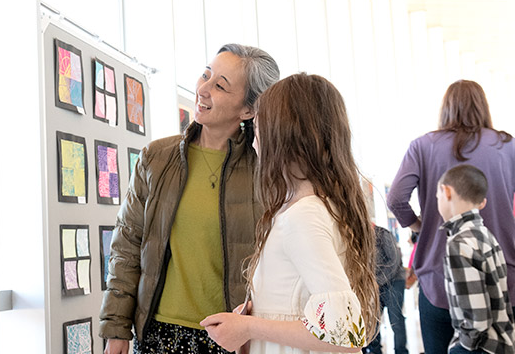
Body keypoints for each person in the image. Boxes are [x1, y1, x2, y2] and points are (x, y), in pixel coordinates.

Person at [98, 44, 279, 354]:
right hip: (156, 335)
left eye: (220, 85)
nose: (203, 89)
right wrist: (116, 331)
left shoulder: (267, 171)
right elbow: (126, 248)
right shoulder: (156, 157)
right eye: (205, 75)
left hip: (231, 339)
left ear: (248, 110)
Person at [199, 73, 378, 353]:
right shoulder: (315, 207)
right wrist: (258, 314)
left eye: (257, 131)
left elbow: (345, 337)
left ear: (282, 136)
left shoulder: (303, 216)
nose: (255, 144)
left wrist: (249, 327)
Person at [387, 80, 515, 354]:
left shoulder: (422, 146)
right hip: (503, 277)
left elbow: (396, 197)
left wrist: (420, 226)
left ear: (446, 108)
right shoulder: (507, 146)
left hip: (438, 279)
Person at [436, 164, 514, 354]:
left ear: (446, 192)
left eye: (437, 197)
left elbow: (477, 320)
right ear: (482, 203)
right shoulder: (485, 234)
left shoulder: (459, 243)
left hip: (481, 347)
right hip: (502, 340)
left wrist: (462, 345)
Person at [364, 226, 407, 354]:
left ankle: (401, 351)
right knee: (373, 320)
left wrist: (379, 281)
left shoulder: (383, 234)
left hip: (394, 281)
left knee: (395, 320)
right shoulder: (360, 238)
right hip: (375, 284)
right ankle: (375, 351)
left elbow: (394, 261)